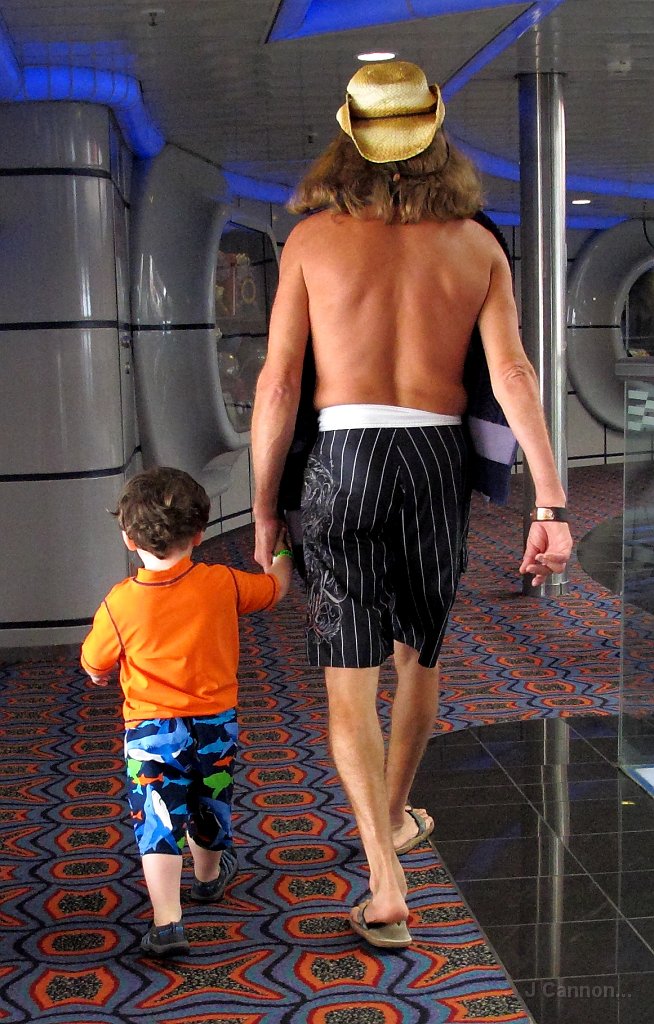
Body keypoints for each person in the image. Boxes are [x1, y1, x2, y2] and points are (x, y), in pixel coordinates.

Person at [250, 60, 572, 949]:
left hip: (342, 460)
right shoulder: (476, 246)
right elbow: (513, 376)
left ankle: (384, 881)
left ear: (348, 137)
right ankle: (394, 817)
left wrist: (267, 509)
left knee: (347, 677)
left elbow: (278, 385)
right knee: (418, 657)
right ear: (435, 133)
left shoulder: (310, 242)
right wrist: (550, 504)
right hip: (435, 460)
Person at [80, 467, 292, 958]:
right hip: (215, 724)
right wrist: (281, 553)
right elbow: (274, 589)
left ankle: (167, 922)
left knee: (157, 817)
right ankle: (208, 876)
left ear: (129, 539)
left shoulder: (120, 603)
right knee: (210, 800)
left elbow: (94, 660)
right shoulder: (222, 583)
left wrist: (98, 673)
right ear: (199, 533)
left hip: (151, 733)